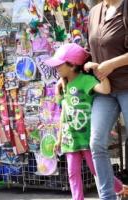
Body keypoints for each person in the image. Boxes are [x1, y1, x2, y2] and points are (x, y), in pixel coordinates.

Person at [45, 43, 126, 200]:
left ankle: (120, 188)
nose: (56, 68)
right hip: (70, 140)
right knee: (72, 174)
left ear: (73, 64)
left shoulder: (85, 80)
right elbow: (64, 113)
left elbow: (106, 90)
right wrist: (59, 138)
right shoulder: (63, 84)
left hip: (87, 138)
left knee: (97, 170)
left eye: (59, 64)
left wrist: (97, 70)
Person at [85, 0, 128, 199]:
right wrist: (65, 77)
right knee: (96, 143)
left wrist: (111, 64)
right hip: (105, 89)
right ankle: (107, 197)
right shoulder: (94, 12)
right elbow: (89, 49)